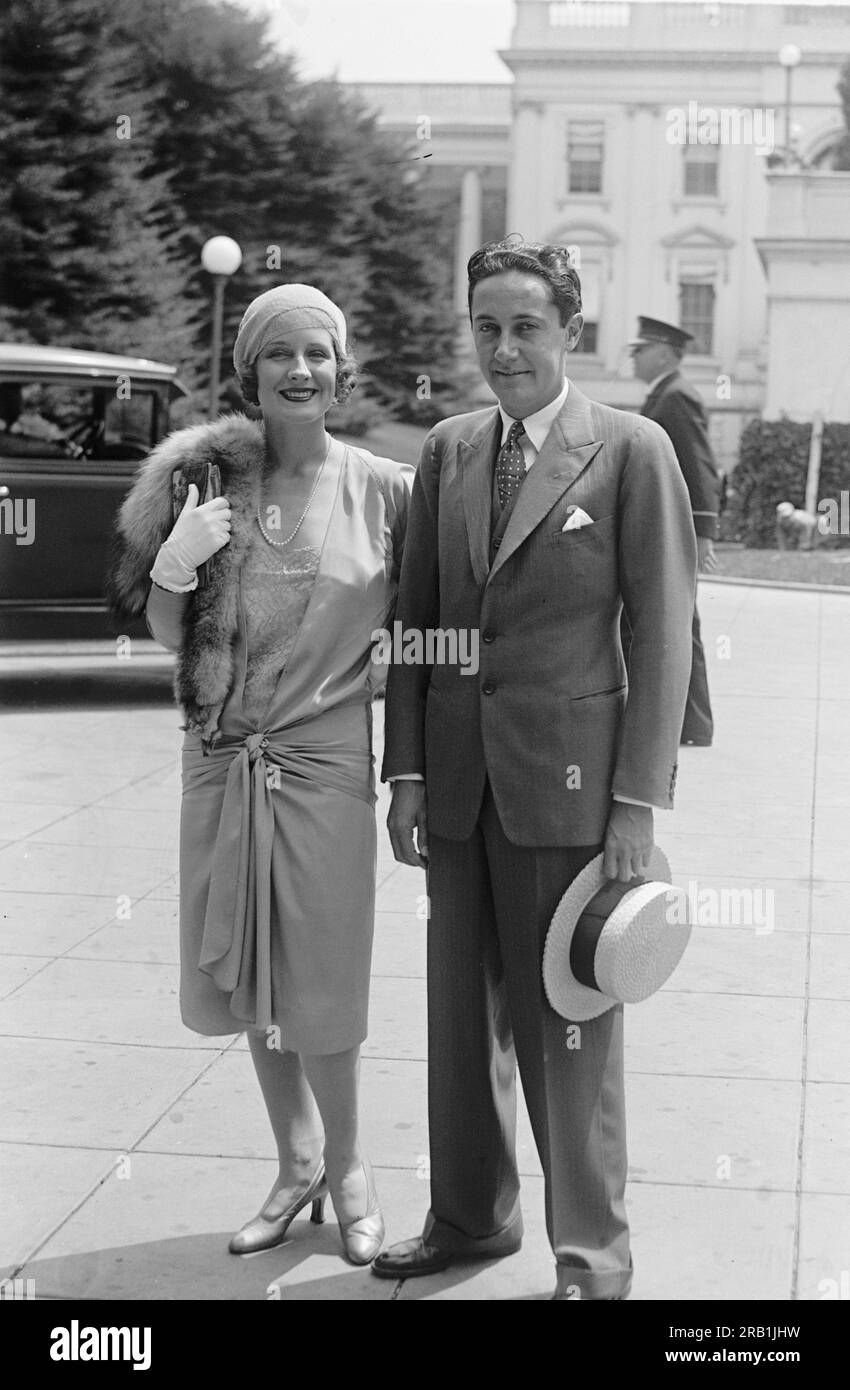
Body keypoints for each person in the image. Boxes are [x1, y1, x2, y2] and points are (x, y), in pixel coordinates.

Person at [373, 238, 696, 1301]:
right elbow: (416, 622)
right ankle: (468, 1220)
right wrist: (407, 774)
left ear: (568, 329)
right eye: (486, 327)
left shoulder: (630, 448)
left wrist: (636, 803)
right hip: (460, 792)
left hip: (572, 793)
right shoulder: (449, 449)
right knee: (459, 1028)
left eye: (524, 326)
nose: (503, 347)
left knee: (571, 1029)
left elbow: (662, 637)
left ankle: (591, 1259)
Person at [109, 284, 411, 1266]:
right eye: (278, 353)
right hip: (221, 757)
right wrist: (174, 567)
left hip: (322, 765)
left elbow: (434, 629)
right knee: (249, 977)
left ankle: (353, 1166)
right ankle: (296, 1164)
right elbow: (163, 635)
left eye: (317, 354)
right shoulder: (204, 478)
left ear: (341, 369)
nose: (298, 371)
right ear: (250, 370)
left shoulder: (385, 490)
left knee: (322, 980)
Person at [628, 316, 724, 747]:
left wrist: (703, 530)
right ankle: (688, 722)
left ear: (664, 353)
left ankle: (693, 724)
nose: (634, 357)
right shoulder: (665, 395)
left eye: (641, 350)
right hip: (663, 524)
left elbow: (698, 464)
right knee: (671, 621)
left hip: (673, 527)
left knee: (679, 622)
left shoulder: (676, 397)